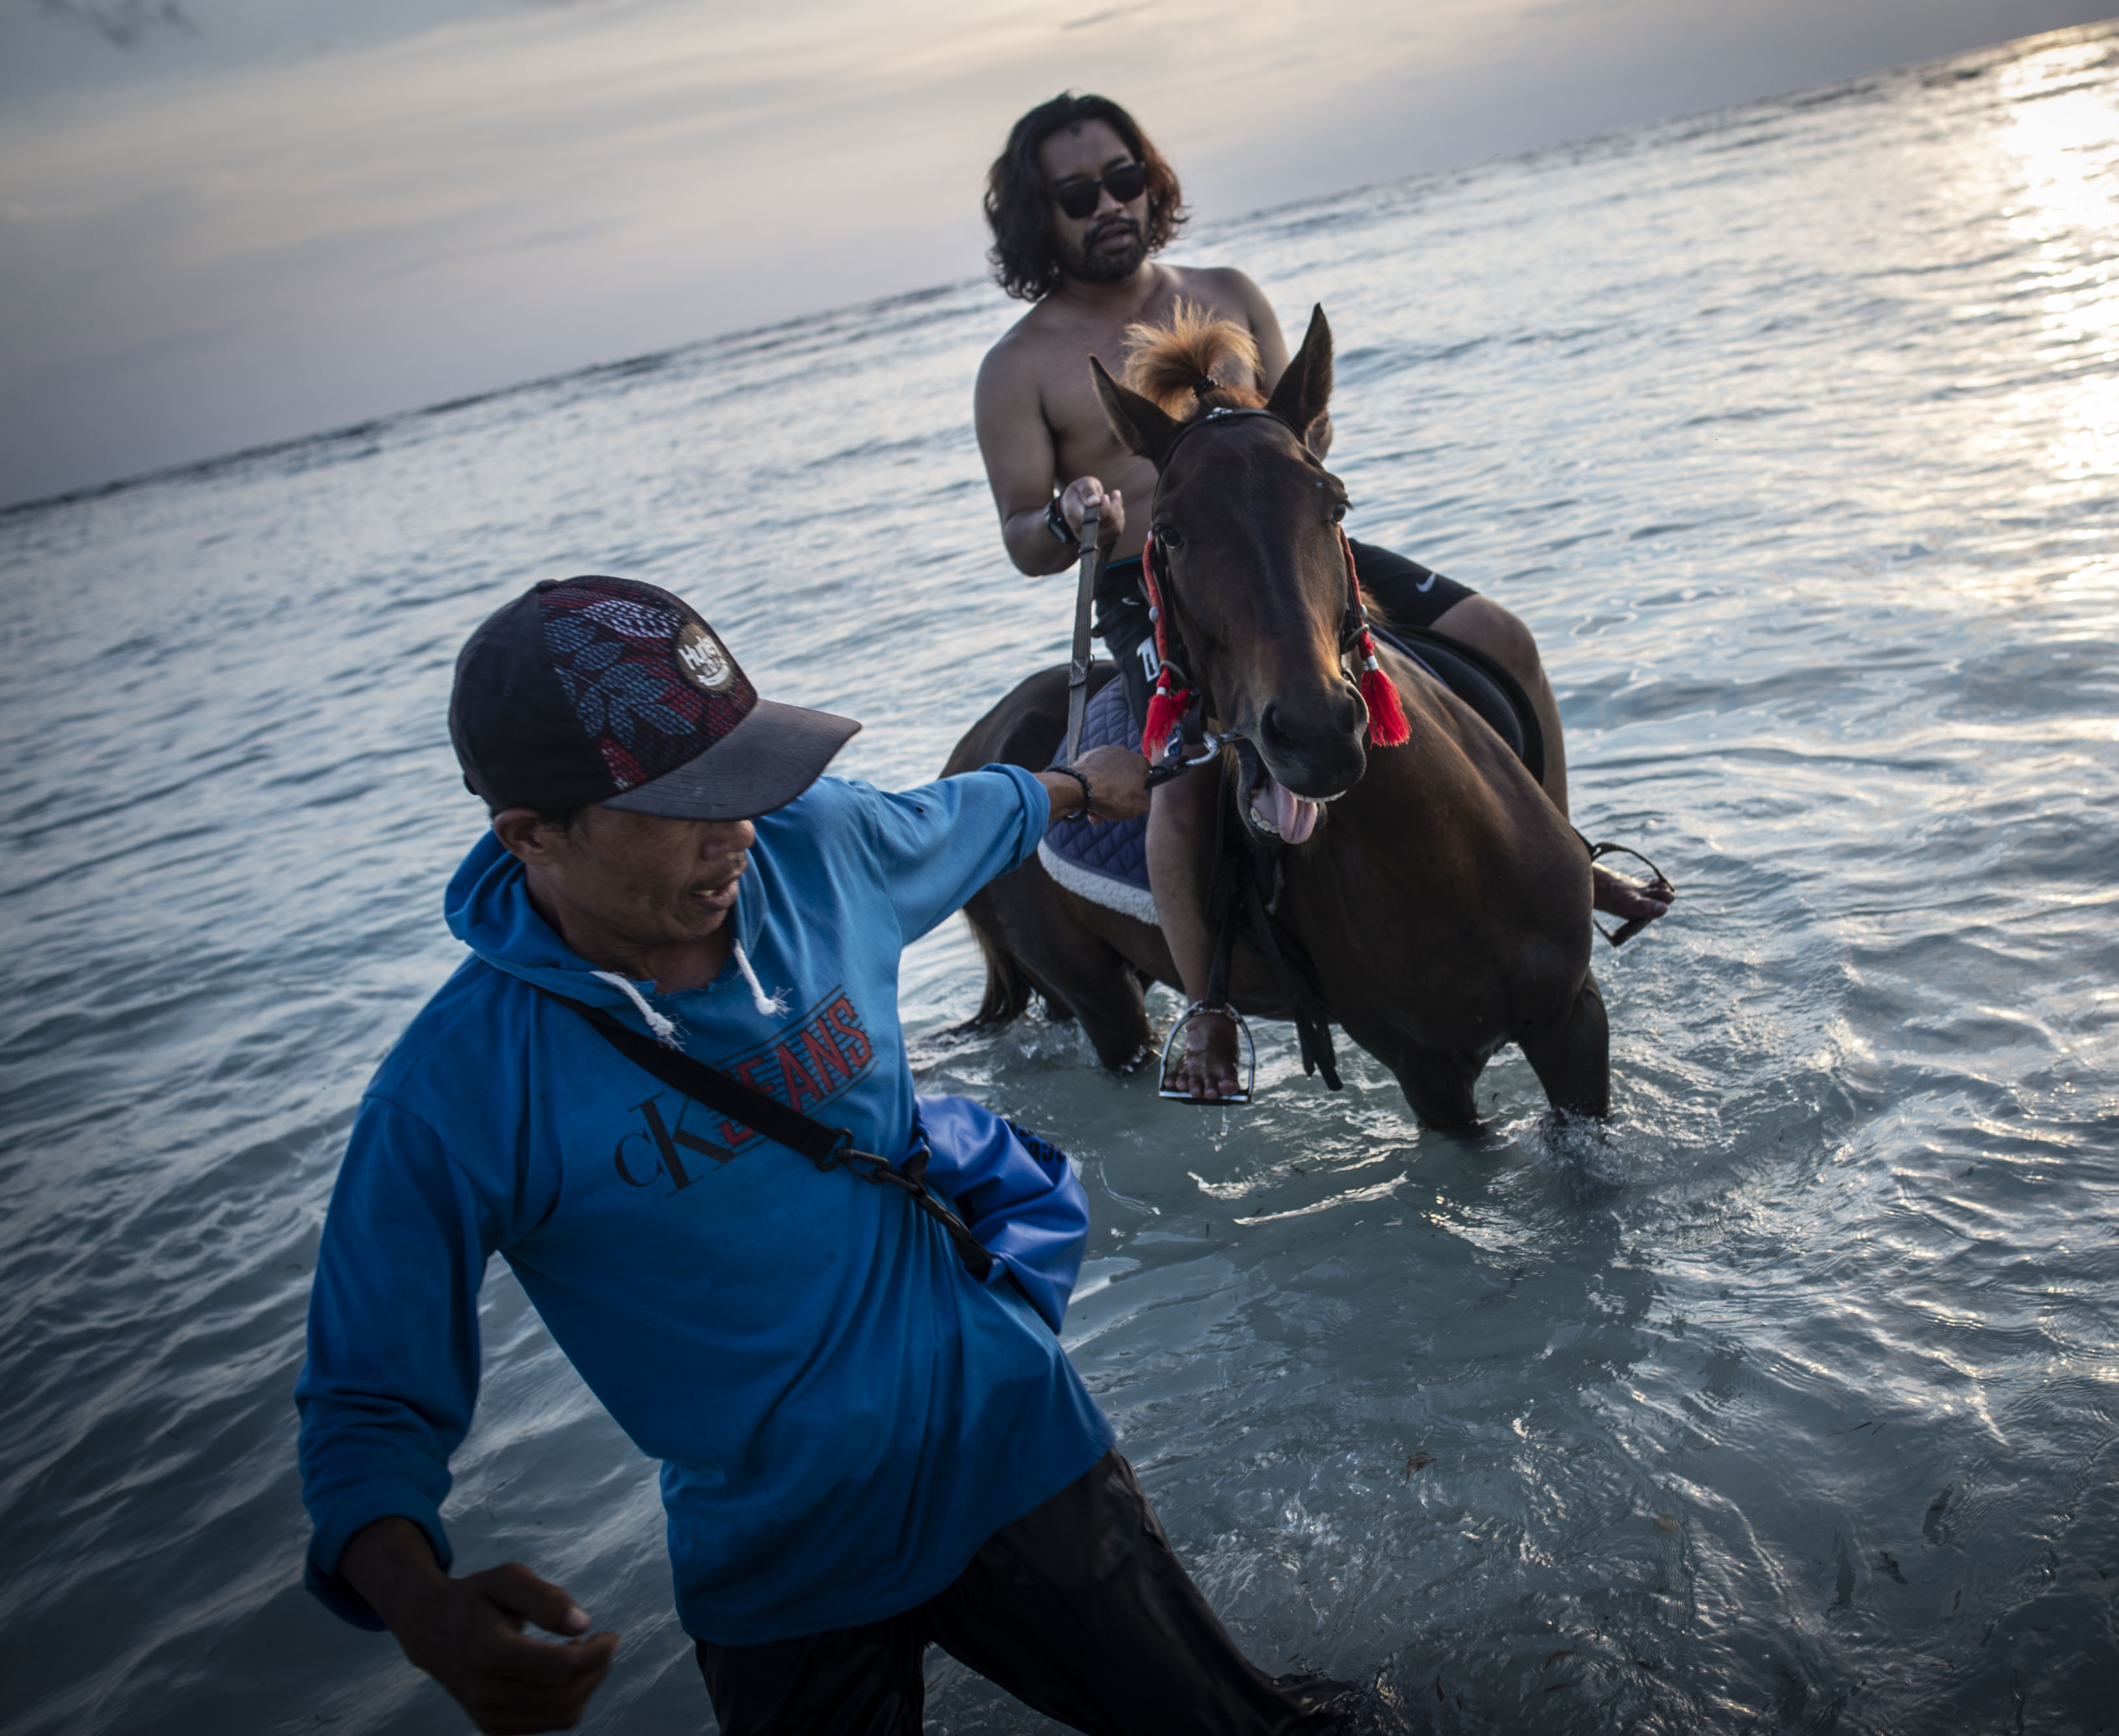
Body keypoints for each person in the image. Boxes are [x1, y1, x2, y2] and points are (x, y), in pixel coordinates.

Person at [295, 575, 1344, 1734]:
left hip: (1012, 1445)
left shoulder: (819, 845)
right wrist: (419, 1604)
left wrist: (1074, 785)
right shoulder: (454, 1093)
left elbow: (973, 811)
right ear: (532, 835)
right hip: (779, 1565)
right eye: (684, 805)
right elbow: (365, 1400)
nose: (737, 830)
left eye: (742, 780)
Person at [972, 92, 1672, 1103]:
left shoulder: (1224, 289)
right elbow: (1019, 535)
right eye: (1078, 194)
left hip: (1288, 538)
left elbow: (1307, 434)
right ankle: (1208, 1004)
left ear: (1150, 179)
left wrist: (1287, 449)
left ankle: (1558, 861)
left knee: (1499, 636)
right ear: (1042, 215)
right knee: (1185, 775)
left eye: (1125, 178)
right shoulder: (1020, 365)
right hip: (1159, 578)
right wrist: (1072, 513)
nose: (1109, 205)